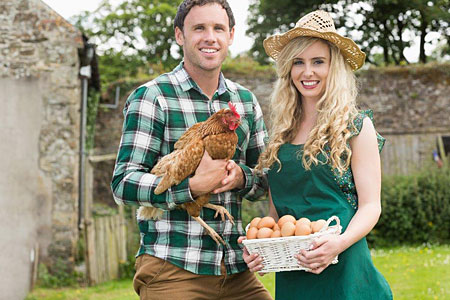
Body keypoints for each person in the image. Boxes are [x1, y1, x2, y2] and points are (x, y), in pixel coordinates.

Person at [110, 0, 272, 299]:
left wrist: (240, 178)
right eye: (199, 28)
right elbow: (123, 183)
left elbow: (265, 180)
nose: (210, 37)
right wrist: (191, 187)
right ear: (180, 35)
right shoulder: (153, 97)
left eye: (218, 28)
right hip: (174, 268)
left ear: (231, 35)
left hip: (235, 269)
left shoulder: (245, 101)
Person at [240, 10, 393, 300]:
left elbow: (371, 206)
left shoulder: (357, 126)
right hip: (295, 277)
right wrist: (260, 248)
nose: (307, 72)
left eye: (318, 62)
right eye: (299, 62)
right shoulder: (280, 137)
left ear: (333, 67)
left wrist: (339, 243)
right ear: (288, 69)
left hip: (346, 271)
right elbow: (277, 215)